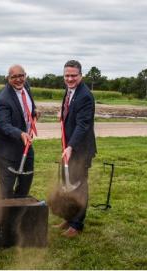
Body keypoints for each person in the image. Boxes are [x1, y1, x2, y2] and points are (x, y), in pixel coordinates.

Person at [55, 60, 96, 238]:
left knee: (78, 186)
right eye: (67, 75)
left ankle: (77, 225)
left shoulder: (85, 95)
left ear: (81, 76)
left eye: (73, 75)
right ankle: (69, 218)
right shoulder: (70, 90)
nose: (70, 79)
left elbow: (82, 125)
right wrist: (63, 115)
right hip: (69, 147)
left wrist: (71, 146)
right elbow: (71, 112)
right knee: (66, 182)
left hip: (80, 149)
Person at [0, 64, 37, 198]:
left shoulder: (26, 87)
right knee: (6, 191)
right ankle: (4, 216)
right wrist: (20, 133)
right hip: (8, 150)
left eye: (21, 76)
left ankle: (19, 215)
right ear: (8, 78)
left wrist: (34, 111)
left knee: (25, 185)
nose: (18, 79)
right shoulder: (3, 98)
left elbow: (28, 105)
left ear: (25, 76)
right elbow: (3, 124)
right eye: (14, 77)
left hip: (26, 145)